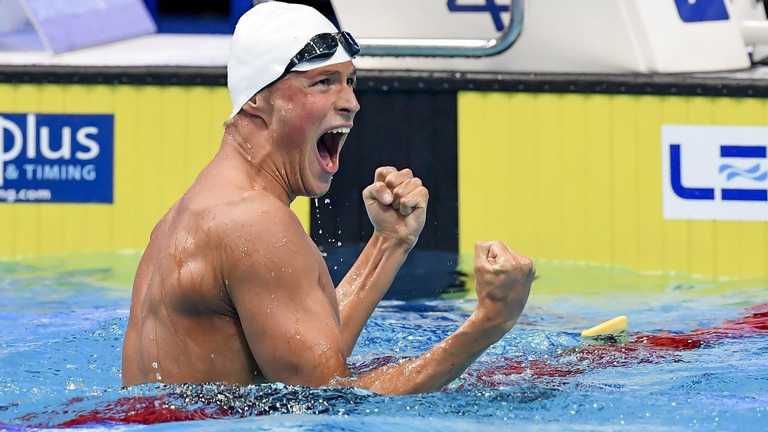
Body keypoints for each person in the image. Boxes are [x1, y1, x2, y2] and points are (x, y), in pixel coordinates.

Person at [121, 1, 534, 395]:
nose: (351, 103)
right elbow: (333, 401)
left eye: (350, 82)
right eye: (323, 83)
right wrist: (489, 322)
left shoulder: (196, 210)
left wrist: (389, 243)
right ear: (257, 101)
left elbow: (310, 353)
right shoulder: (254, 222)